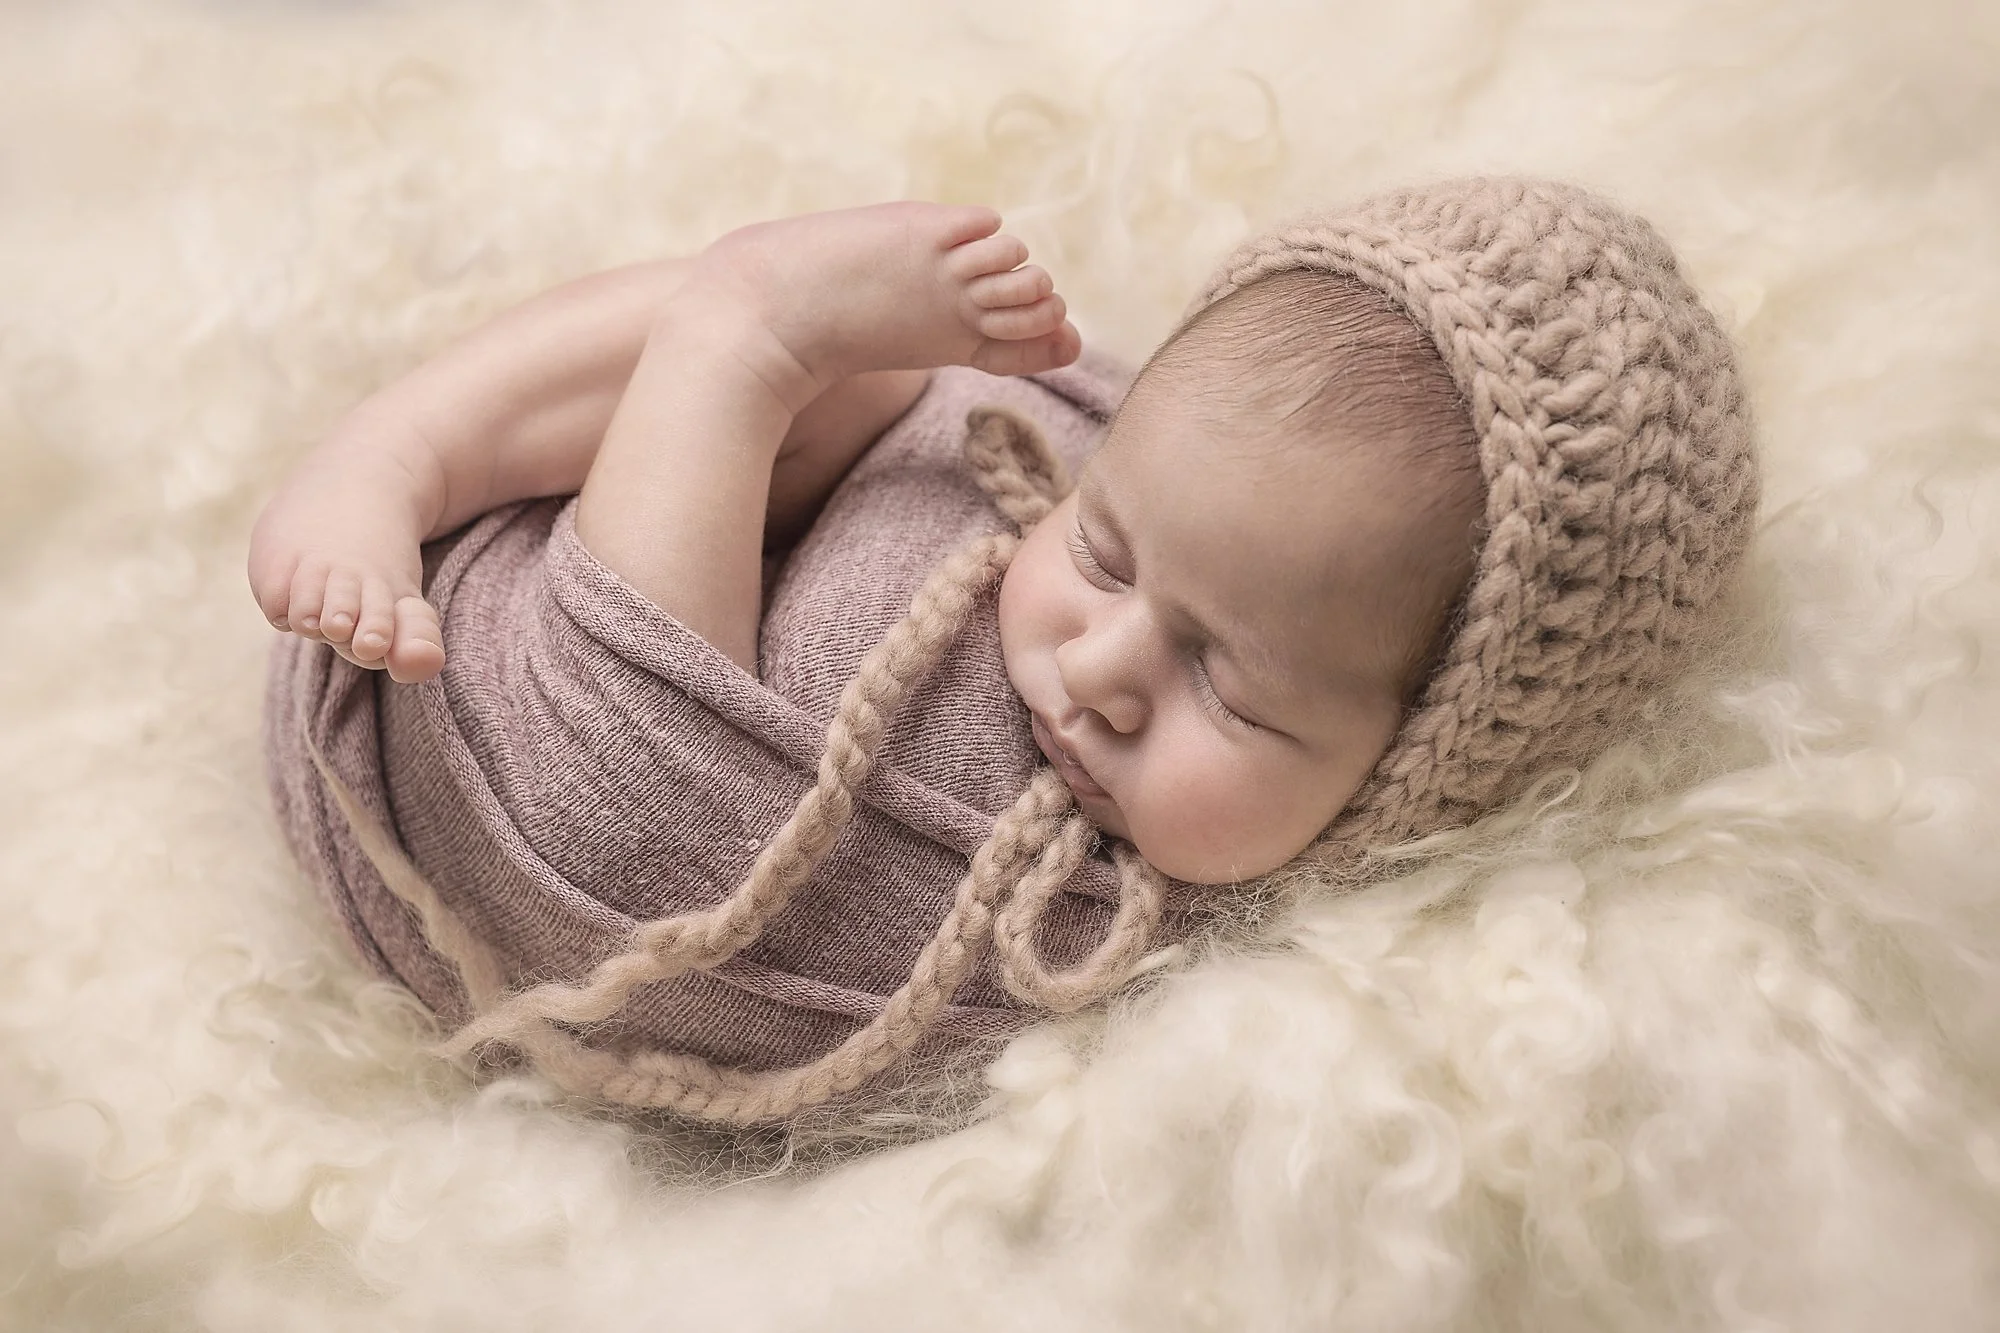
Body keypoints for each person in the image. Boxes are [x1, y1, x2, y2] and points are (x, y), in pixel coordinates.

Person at [253, 177, 1759, 1126]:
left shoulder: (1125, 939)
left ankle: (747, 358)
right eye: (1103, 548)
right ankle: (434, 441)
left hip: (527, 825)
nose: (1100, 661)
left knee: (651, 841)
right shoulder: (1091, 448)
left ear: (1431, 763)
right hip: (493, 607)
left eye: (1226, 686)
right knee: (883, 374)